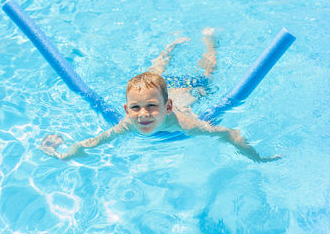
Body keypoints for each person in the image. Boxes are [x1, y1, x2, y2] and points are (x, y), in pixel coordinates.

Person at [41, 28, 280, 163]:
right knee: (153, 73)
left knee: (208, 73)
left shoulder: (185, 123)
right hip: (163, 88)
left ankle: (210, 42)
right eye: (135, 108)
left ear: (167, 108)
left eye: (151, 107)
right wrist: (62, 154)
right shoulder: (128, 124)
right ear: (126, 110)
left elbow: (229, 133)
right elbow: (93, 142)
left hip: (189, 89)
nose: (143, 114)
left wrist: (256, 158)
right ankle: (172, 45)